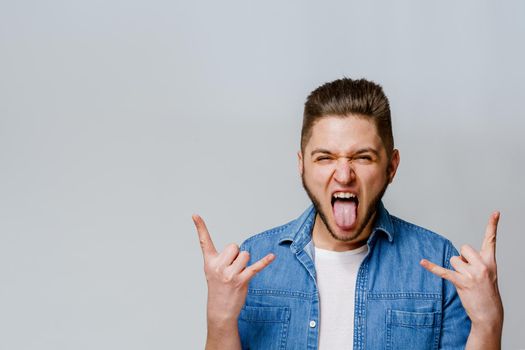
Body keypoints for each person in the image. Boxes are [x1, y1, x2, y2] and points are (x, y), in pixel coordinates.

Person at [193, 78, 504, 349]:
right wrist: (219, 320)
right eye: (325, 157)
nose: (343, 174)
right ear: (302, 165)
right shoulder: (251, 265)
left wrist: (488, 324)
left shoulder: (438, 264)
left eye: (363, 157)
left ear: (391, 167)